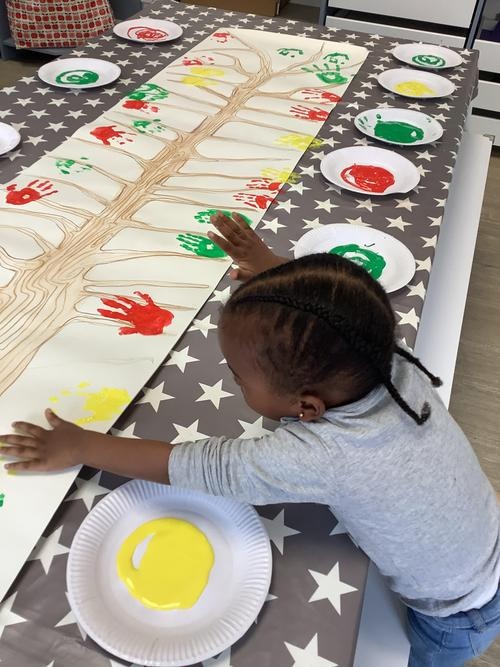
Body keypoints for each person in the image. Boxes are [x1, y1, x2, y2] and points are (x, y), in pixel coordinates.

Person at [1, 212, 499, 667]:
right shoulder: (380, 353)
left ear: (307, 407)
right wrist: (272, 271)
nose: (234, 382)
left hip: (456, 612)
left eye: (239, 380)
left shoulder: (328, 455)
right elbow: (342, 312)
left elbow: (204, 467)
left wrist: (83, 446)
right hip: (485, 539)